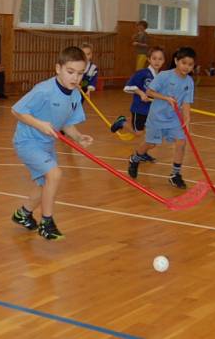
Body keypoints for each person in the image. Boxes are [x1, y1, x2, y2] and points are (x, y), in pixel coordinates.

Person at [10, 46, 93, 240]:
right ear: (58, 68)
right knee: (55, 174)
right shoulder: (44, 90)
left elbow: (67, 124)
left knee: (45, 185)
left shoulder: (75, 95)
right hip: (27, 141)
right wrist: (40, 124)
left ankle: (23, 214)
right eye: (70, 72)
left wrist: (79, 137)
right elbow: (16, 110)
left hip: (46, 144)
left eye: (80, 73)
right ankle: (46, 223)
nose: (75, 78)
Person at [127, 46, 196, 189]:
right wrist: (166, 98)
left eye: (190, 64)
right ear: (176, 61)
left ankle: (175, 175)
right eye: (184, 63)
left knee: (181, 144)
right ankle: (135, 159)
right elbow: (150, 91)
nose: (186, 67)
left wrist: (187, 118)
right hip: (157, 117)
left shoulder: (189, 81)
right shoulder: (165, 75)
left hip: (175, 119)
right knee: (151, 144)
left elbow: (187, 102)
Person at [110, 46, 166, 154]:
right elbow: (128, 87)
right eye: (154, 58)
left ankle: (142, 153)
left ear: (163, 61)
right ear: (149, 59)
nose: (157, 61)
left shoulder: (161, 77)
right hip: (140, 108)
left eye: (160, 59)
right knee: (139, 133)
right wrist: (140, 93)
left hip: (152, 110)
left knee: (151, 134)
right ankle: (122, 122)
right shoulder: (142, 73)